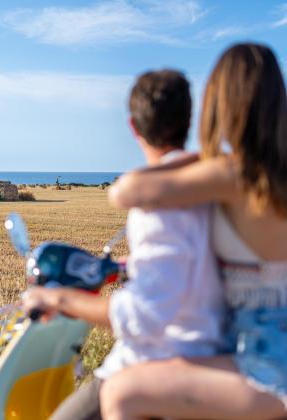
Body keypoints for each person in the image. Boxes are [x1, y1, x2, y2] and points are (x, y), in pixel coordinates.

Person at [22, 69, 224, 420]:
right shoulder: (213, 187)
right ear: (188, 121)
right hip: (215, 352)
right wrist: (130, 267)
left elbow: (143, 318)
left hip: (160, 360)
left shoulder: (157, 198)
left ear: (133, 127)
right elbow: (188, 260)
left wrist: (56, 297)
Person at [100, 43, 287, 420]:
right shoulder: (271, 173)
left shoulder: (234, 174)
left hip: (264, 360)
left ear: (221, 105)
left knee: (122, 393)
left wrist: (193, 157)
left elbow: (126, 192)